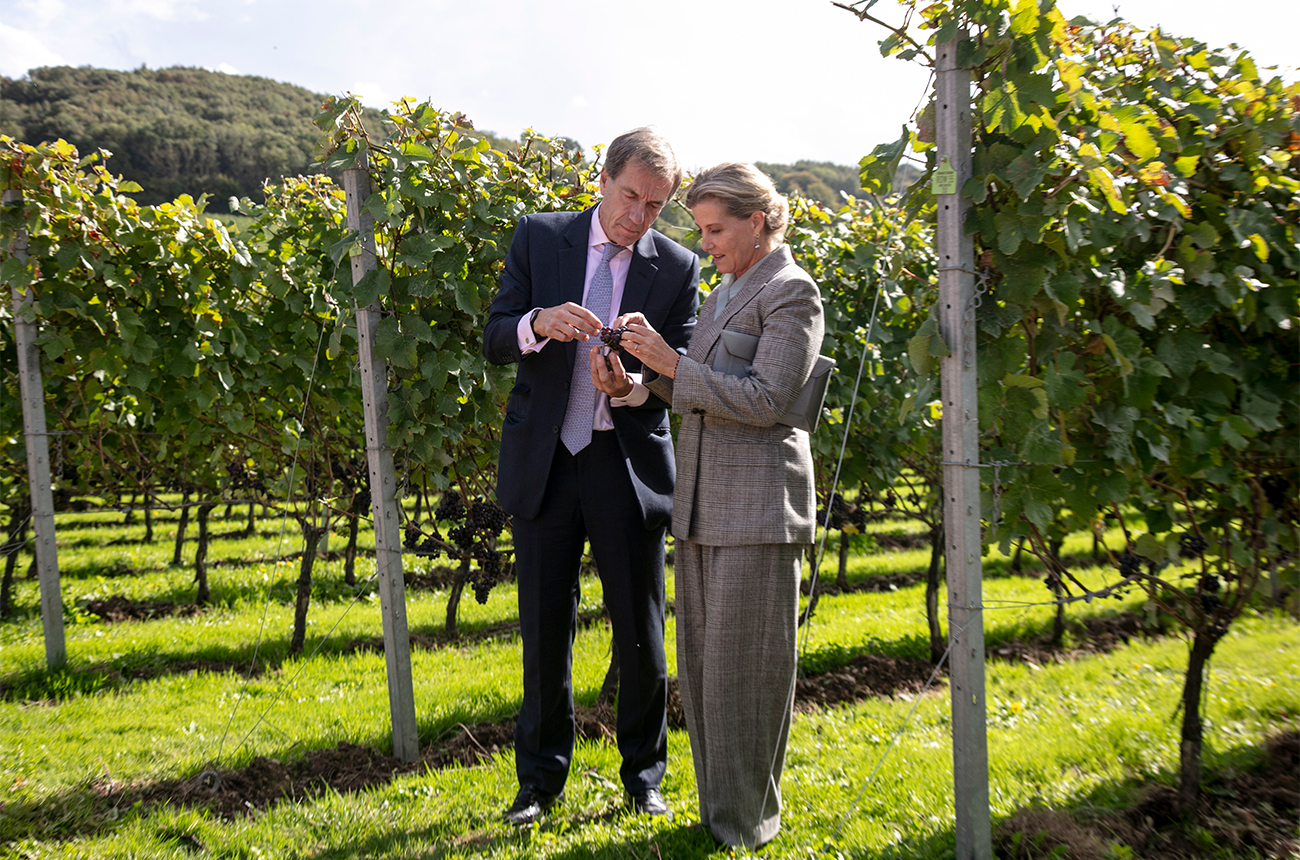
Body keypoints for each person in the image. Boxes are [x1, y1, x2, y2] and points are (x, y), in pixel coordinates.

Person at [590, 162, 823, 849]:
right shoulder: (727, 291)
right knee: (707, 674)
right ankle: (723, 814)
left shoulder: (791, 293)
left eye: (716, 229)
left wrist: (667, 361)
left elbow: (765, 399)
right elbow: (696, 388)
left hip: (757, 509)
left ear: (759, 221)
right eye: (701, 229)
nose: (706, 242)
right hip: (700, 505)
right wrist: (633, 384)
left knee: (747, 673)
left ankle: (747, 824)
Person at [482, 127, 700, 826]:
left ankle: (644, 777)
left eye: (656, 206)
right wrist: (538, 322)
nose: (639, 217)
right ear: (601, 179)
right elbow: (494, 335)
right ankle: (538, 786)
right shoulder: (540, 237)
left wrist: (630, 384)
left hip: (623, 465)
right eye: (631, 196)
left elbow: (679, 381)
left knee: (641, 632)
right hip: (546, 464)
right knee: (545, 633)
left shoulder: (678, 268)